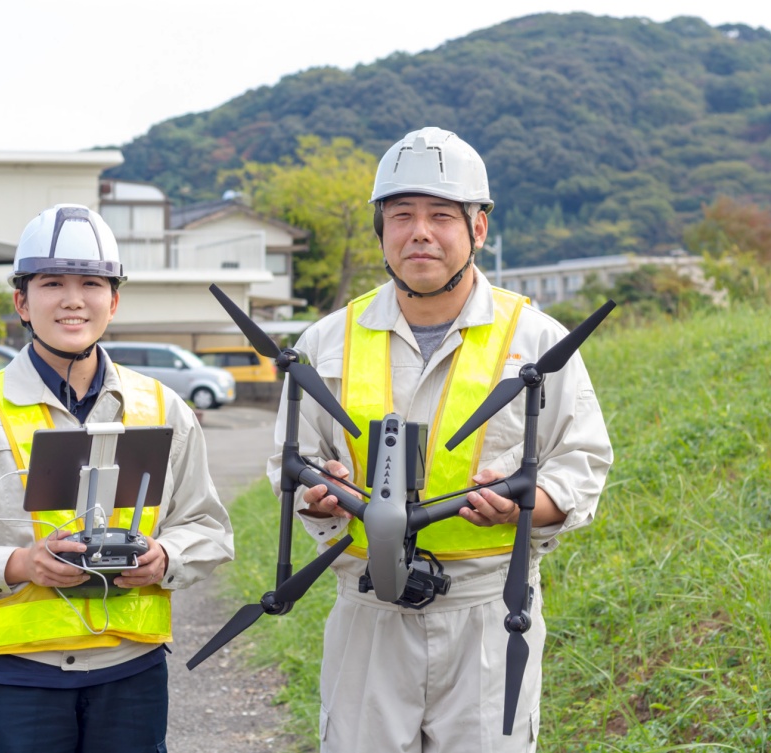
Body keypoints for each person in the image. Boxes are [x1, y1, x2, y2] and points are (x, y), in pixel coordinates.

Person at [267, 127, 613, 753]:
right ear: (381, 230)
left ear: (478, 228)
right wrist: (317, 493)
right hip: (367, 610)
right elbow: (287, 464)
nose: (419, 232)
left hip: (488, 609)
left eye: (441, 216)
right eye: (401, 216)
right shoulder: (326, 341)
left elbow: (582, 462)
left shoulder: (535, 341)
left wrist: (523, 506)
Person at [0, 204, 234, 753]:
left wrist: (166, 558)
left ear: (114, 300)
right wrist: (20, 563)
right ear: (22, 301)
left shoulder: (162, 407)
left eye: (91, 283)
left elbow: (208, 528)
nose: (73, 299)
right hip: (19, 680)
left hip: (133, 675)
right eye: (52, 282)